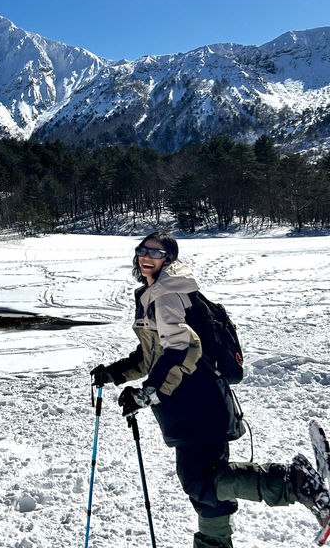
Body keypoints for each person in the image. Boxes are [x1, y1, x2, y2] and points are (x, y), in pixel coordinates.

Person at [90, 231, 329, 548]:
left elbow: (182, 349)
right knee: (206, 486)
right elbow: (154, 354)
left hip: (197, 405)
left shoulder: (166, 295)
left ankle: (296, 482)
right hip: (197, 404)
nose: (147, 256)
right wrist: (116, 373)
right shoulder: (162, 292)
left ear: (169, 259)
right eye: (143, 250)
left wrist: (147, 394)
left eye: (157, 252)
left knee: (202, 481)